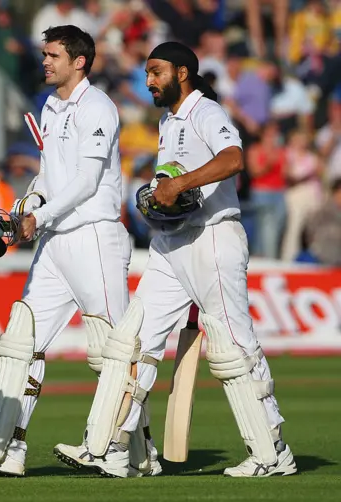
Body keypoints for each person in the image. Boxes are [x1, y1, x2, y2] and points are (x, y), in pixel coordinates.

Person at [55, 41, 297, 478]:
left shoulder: (205, 111)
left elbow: (234, 159)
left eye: (156, 72)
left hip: (213, 238)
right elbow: (174, 188)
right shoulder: (168, 120)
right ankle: (110, 447)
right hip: (171, 242)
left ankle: (271, 451)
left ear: (182, 73)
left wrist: (179, 182)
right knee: (132, 340)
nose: (148, 81)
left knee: (232, 346)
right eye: (146, 72)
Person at [0, 25, 160, 479]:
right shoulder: (50, 105)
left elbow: (86, 183)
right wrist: (23, 208)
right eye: (44, 55)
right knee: (20, 340)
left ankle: (126, 451)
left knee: (114, 351)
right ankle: (2, 448)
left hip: (94, 237)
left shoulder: (98, 106)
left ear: (79, 61)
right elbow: (51, 176)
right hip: (55, 243)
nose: (44, 62)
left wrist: (38, 218)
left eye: (53, 55)